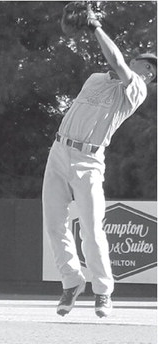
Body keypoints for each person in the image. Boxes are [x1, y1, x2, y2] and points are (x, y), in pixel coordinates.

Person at [42, 6, 157, 318]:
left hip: (89, 159)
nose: (148, 69)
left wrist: (94, 27)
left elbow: (118, 63)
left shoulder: (137, 90)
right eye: (146, 63)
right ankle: (71, 283)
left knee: (92, 229)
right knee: (54, 225)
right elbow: (112, 64)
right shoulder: (95, 79)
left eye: (152, 69)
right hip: (59, 151)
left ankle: (103, 292)